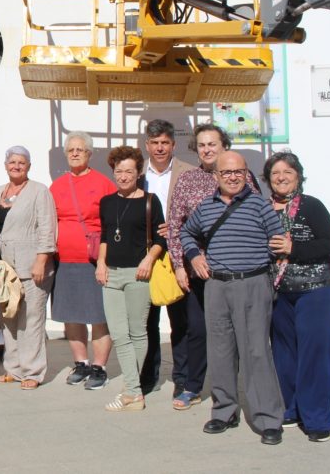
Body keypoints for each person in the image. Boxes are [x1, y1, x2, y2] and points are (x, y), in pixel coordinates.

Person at [180, 151, 286, 445]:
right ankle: (224, 411)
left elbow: (278, 242)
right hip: (216, 287)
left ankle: (268, 418)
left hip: (253, 284)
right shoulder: (205, 207)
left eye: (238, 171)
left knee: (256, 353)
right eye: (226, 173)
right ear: (216, 176)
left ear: (246, 173)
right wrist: (194, 256)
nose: (233, 177)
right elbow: (186, 233)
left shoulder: (259, 206)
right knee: (221, 352)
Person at [166, 123, 258, 410]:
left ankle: (238, 389)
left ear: (224, 147)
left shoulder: (240, 177)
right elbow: (175, 226)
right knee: (198, 330)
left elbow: (255, 215)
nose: (207, 149)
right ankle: (193, 386)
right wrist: (180, 265)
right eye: (202, 145)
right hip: (197, 271)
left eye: (212, 144)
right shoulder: (187, 180)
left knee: (237, 331)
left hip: (233, 269)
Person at [264, 152, 330, 442]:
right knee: (283, 353)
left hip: (316, 289)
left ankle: (318, 418)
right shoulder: (262, 208)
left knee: (314, 354)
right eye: (275, 173)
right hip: (279, 291)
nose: (281, 177)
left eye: (288, 172)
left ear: (298, 176)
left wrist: (292, 248)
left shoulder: (311, 206)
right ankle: (290, 408)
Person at [95, 146, 165, 411]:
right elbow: (104, 236)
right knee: (118, 332)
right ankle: (134, 391)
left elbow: (161, 239)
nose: (123, 176)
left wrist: (148, 260)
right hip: (111, 273)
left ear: (138, 173)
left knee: (137, 332)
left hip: (139, 274)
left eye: (128, 171)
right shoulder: (107, 202)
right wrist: (100, 264)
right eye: (118, 171)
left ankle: (131, 392)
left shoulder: (150, 200)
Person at [49, 131, 116, 389]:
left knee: (99, 316)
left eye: (80, 149)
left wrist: (104, 260)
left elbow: (110, 225)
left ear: (89, 153)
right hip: (64, 261)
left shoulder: (103, 184)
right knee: (72, 315)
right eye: (71, 150)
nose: (75, 153)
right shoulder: (57, 185)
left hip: (94, 261)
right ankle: (81, 363)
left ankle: (99, 367)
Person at [139, 119, 195, 396]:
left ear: (173, 144)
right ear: (147, 145)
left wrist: (177, 226)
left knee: (180, 321)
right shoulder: (137, 174)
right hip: (147, 256)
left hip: (179, 257)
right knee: (148, 321)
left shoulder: (189, 172)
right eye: (155, 143)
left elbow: (198, 215)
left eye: (165, 143)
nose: (160, 148)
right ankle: (149, 376)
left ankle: (182, 378)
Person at [0, 146, 55, 390]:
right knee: (9, 319)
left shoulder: (39, 191)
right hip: (5, 268)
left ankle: (33, 371)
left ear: (29, 166)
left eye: (22, 162)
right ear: (5, 165)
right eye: (12, 162)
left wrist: (42, 259)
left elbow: (47, 228)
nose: (16, 166)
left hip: (32, 266)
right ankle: (13, 368)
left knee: (31, 320)